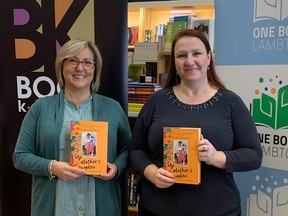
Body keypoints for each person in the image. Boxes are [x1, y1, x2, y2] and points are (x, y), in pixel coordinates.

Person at [129, 29, 262, 216]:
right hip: (157, 208)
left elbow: (254, 155)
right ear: (175, 62)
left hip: (218, 210)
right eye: (181, 55)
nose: (189, 61)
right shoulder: (156, 101)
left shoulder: (230, 103)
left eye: (196, 53)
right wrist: (152, 173)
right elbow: (136, 150)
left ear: (209, 58)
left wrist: (217, 157)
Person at [13, 38, 131, 216]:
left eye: (87, 62)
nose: (80, 68)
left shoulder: (112, 108)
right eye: (73, 61)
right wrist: (52, 167)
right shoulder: (40, 108)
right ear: (61, 66)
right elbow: (20, 156)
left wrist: (116, 168)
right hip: (57, 208)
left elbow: (129, 149)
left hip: (100, 207)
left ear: (95, 69)